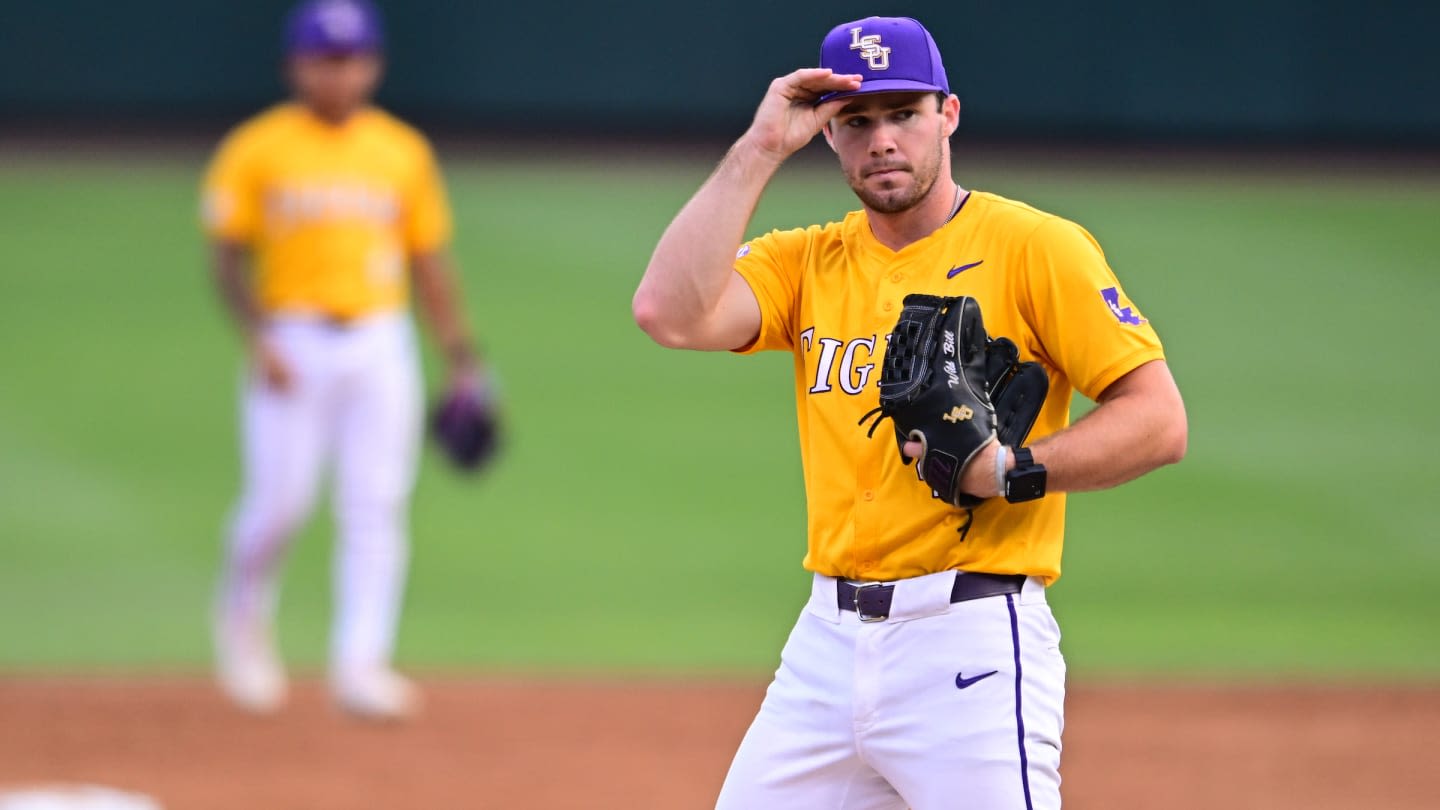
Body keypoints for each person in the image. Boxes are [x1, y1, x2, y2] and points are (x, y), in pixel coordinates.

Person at [633, 15, 1187, 809]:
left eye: (903, 114)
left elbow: (1160, 420)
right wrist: (759, 148)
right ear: (828, 134)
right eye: (855, 121)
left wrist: (1012, 470)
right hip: (824, 650)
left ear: (948, 115)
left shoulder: (1037, 247)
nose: (881, 141)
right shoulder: (807, 262)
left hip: (968, 646)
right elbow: (668, 311)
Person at [200, 0, 485, 719]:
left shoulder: (400, 151)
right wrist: (258, 337)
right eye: (326, 59)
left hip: (379, 339)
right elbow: (227, 259)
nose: (340, 72)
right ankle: (242, 625)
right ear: (296, 65)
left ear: (374, 64)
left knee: (376, 504)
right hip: (289, 340)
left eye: (353, 58)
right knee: (278, 504)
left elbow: (429, 261)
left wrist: (460, 357)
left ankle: (361, 663)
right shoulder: (257, 147)